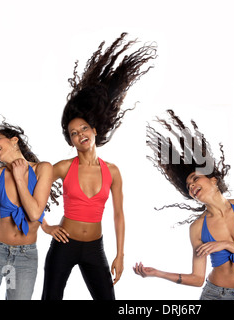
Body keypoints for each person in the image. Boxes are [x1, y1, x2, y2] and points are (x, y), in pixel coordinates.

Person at [41, 33, 157, 300]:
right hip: (64, 244)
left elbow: (118, 215)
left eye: (83, 128)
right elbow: (31, 190)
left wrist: (120, 254)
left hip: (96, 247)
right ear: (70, 141)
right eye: (73, 133)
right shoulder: (62, 167)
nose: (80, 134)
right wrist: (46, 227)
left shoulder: (112, 171)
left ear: (94, 130)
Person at [133, 110, 234, 300]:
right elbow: (197, 278)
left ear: (213, 180)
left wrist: (225, 244)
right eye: (188, 186)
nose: (192, 186)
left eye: (195, 179)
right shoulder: (197, 228)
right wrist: (158, 273)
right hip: (216, 295)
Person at [0, 120, 60, 300]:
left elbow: (34, 214)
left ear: (14, 140)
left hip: (25, 258)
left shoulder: (43, 168)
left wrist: (19, 178)